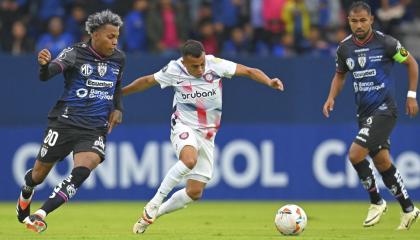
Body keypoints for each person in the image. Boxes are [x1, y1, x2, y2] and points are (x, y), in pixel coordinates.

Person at [123, 39, 284, 234]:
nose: (200, 69)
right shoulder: (173, 70)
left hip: (207, 133)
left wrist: (269, 81)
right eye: (194, 66)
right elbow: (147, 81)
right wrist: (120, 94)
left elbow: (249, 71)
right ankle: (154, 202)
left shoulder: (215, 64)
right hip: (183, 125)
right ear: (184, 62)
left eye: (201, 64)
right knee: (189, 160)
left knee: (194, 192)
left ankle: (154, 214)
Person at [16, 10, 125, 233]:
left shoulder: (119, 59)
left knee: (85, 168)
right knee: (37, 175)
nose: (115, 42)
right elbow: (47, 75)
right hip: (64, 122)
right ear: (95, 35)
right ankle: (27, 191)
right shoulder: (75, 53)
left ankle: (41, 213)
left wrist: (118, 108)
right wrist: (45, 66)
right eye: (110, 36)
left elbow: (116, 87)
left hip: (94, 127)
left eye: (117, 37)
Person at [322, 1, 419, 230]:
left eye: (363, 20)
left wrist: (412, 95)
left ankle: (376, 202)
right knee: (383, 162)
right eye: (354, 21)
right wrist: (330, 98)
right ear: (348, 21)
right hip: (364, 113)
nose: (359, 25)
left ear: (371, 20)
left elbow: (412, 63)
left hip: (385, 110)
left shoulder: (386, 43)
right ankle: (408, 209)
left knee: (355, 155)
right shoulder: (344, 48)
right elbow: (340, 75)